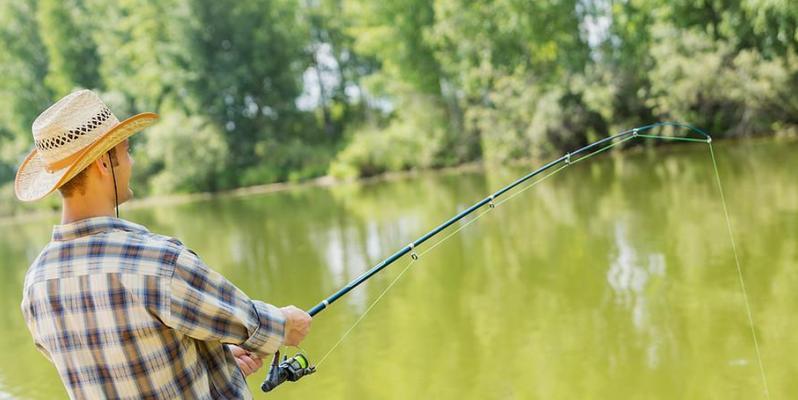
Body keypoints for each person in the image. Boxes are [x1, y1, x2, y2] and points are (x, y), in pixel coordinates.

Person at [15, 90, 312, 399]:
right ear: (104, 162)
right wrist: (287, 323)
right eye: (126, 150)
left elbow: (119, 370)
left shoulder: (36, 285)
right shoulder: (158, 262)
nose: (131, 161)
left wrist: (213, 359)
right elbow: (253, 323)